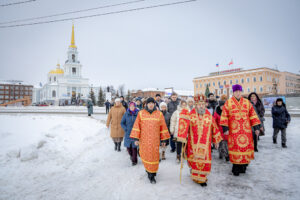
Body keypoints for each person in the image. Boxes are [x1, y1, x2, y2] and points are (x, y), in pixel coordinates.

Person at [177, 94, 222, 186]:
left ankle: (202, 178)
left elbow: (214, 127)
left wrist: (216, 140)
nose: (201, 106)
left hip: (206, 144)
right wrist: (182, 135)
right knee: (195, 160)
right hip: (193, 144)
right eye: (199, 104)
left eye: (203, 104)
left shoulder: (209, 115)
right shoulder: (191, 114)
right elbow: (184, 126)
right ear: (196, 105)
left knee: (204, 161)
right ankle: (196, 177)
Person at [220, 85, 261, 176]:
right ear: (233, 92)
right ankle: (236, 168)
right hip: (234, 131)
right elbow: (224, 116)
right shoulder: (228, 103)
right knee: (236, 149)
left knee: (245, 149)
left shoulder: (247, 102)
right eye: (236, 91)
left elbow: (253, 115)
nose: (238, 93)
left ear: (241, 92)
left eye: (239, 91)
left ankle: (244, 166)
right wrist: (225, 128)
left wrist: (257, 127)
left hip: (246, 131)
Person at [130, 97, 170, 184]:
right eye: (149, 103)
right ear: (146, 104)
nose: (151, 104)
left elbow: (163, 127)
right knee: (146, 155)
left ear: (155, 104)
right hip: (144, 140)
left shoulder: (159, 114)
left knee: (154, 156)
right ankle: (149, 171)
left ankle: (152, 173)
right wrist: (136, 138)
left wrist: (164, 140)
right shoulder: (141, 113)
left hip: (155, 140)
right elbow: (137, 126)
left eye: (152, 103)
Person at [214, 95, 229, 161]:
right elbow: (214, 121)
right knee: (221, 144)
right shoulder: (216, 113)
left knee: (225, 144)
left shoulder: (227, 112)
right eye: (222, 106)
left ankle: (225, 155)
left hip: (226, 130)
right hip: (219, 131)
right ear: (219, 106)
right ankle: (223, 155)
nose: (223, 107)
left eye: (224, 106)